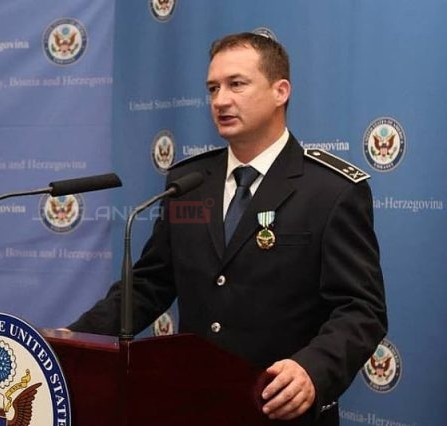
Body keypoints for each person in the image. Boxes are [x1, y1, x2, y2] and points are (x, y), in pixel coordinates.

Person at [67, 32, 387, 425]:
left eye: (236, 84)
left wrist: (313, 369)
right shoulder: (188, 182)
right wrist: (73, 341)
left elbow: (361, 309)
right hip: (194, 407)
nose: (220, 100)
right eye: (213, 88)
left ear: (280, 91)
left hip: (277, 410)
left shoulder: (330, 190)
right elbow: (149, 285)